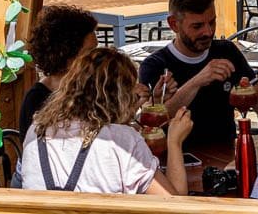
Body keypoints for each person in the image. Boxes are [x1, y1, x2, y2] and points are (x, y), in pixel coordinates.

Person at [20, 46, 191, 196]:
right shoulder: (124, 140)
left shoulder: (36, 130)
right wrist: (174, 142)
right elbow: (174, 202)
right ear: (121, 96)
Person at [138, 0, 258, 146]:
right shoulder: (155, 65)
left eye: (212, 22)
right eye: (197, 26)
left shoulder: (227, 51)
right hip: (178, 161)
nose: (208, 32)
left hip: (227, 158)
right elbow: (155, 124)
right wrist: (198, 80)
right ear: (174, 24)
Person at [19, 5, 98, 140]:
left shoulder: (89, 85)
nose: (96, 57)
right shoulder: (37, 100)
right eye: (89, 52)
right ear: (66, 55)